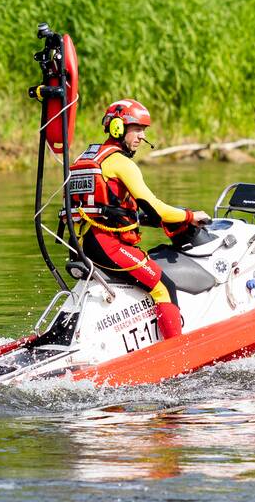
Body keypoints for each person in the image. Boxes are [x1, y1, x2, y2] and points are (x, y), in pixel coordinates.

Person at [66, 98, 210, 339]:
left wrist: (143, 219)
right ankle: (176, 352)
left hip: (84, 245)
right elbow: (157, 208)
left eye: (144, 130)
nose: (142, 137)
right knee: (164, 287)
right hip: (107, 246)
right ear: (118, 128)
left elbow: (112, 210)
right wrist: (190, 216)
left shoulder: (90, 158)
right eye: (137, 129)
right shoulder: (121, 163)